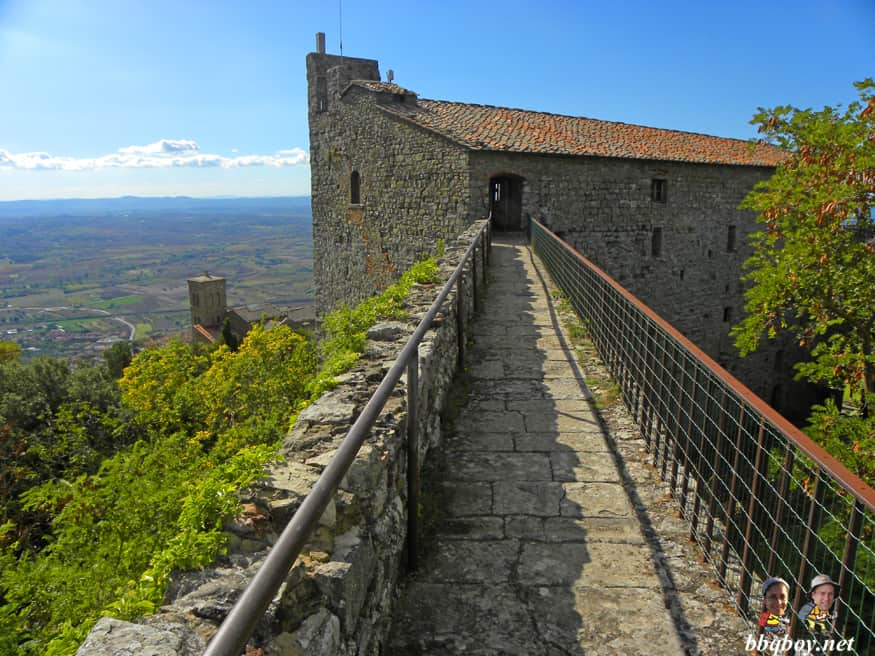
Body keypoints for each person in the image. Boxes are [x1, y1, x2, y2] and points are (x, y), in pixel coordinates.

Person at [798, 573, 839, 650]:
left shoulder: (828, 612)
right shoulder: (806, 610)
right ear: (813, 595)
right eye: (822, 593)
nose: (826, 598)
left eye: (830, 594)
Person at [751, 577, 792, 655]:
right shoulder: (761, 621)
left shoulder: (792, 625)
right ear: (765, 600)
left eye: (783, 597)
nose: (779, 602)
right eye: (773, 597)